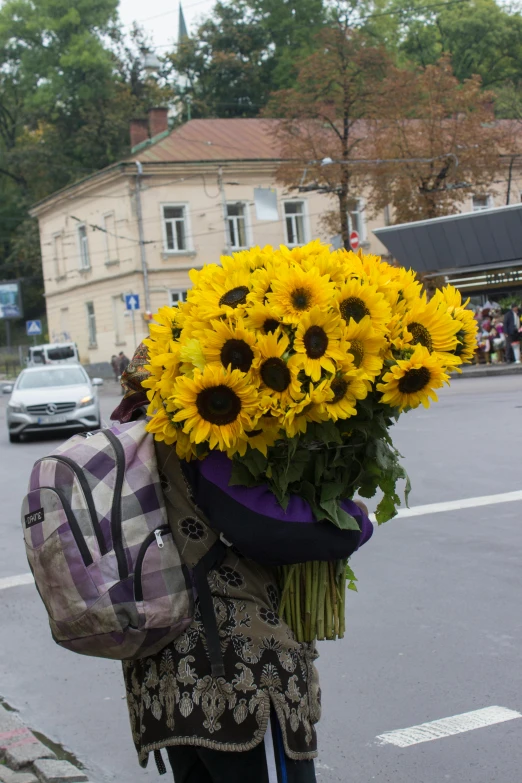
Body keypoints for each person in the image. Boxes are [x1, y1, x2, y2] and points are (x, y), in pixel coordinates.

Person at [111, 347, 374, 783]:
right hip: (233, 674)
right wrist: (353, 523)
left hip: (163, 674)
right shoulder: (194, 439)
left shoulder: (132, 442)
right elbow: (266, 526)